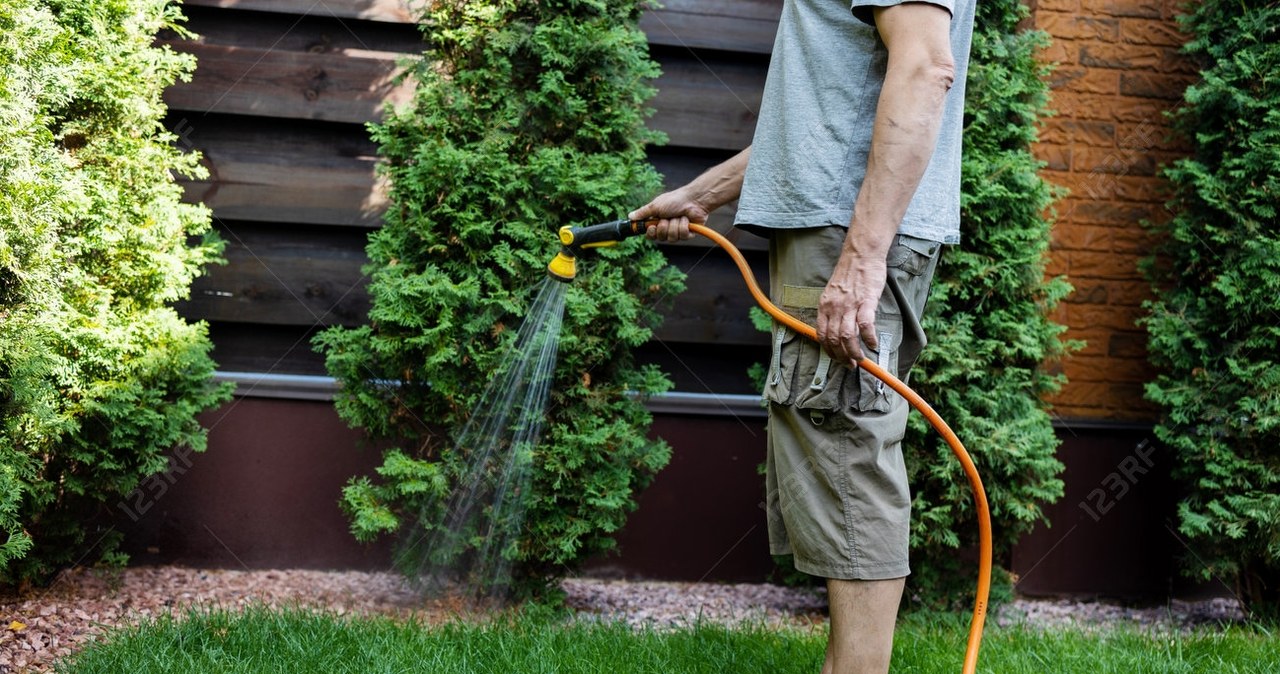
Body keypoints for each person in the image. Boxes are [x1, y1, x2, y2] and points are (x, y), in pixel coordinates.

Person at [628, 1, 977, 672]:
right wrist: (707, 192)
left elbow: (925, 68)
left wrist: (863, 256)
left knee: (847, 443)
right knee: (836, 444)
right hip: (836, 225)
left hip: (846, 230)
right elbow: (827, 112)